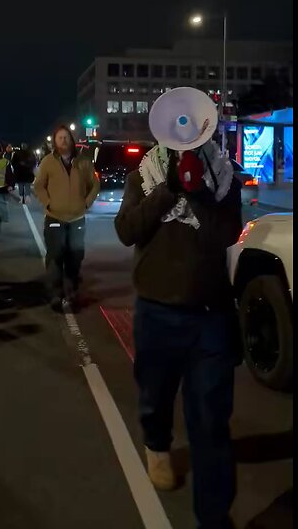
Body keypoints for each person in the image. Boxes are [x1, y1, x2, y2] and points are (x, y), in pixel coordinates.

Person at [113, 136, 243, 529]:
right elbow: (127, 229)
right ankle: (157, 443)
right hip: (157, 312)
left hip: (211, 316)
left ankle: (214, 517)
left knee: (211, 421)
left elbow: (225, 236)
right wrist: (169, 189)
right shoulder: (144, 177)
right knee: (156, 397)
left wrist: (199, 192)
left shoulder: (224, 179)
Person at [33, 126, 99, 312]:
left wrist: (86, 203)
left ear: (71, 139)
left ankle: (72, 292)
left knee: (75, 256)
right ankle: (56, 294)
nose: (63, 140)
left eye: (66, 137)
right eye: (59, 138)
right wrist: (47, 203)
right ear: (54, 142)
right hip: (55, 217)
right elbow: (39, 186)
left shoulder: (84, 162)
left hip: (77, 218)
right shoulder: (48, 162)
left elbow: (94, 185)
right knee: (55, 256)